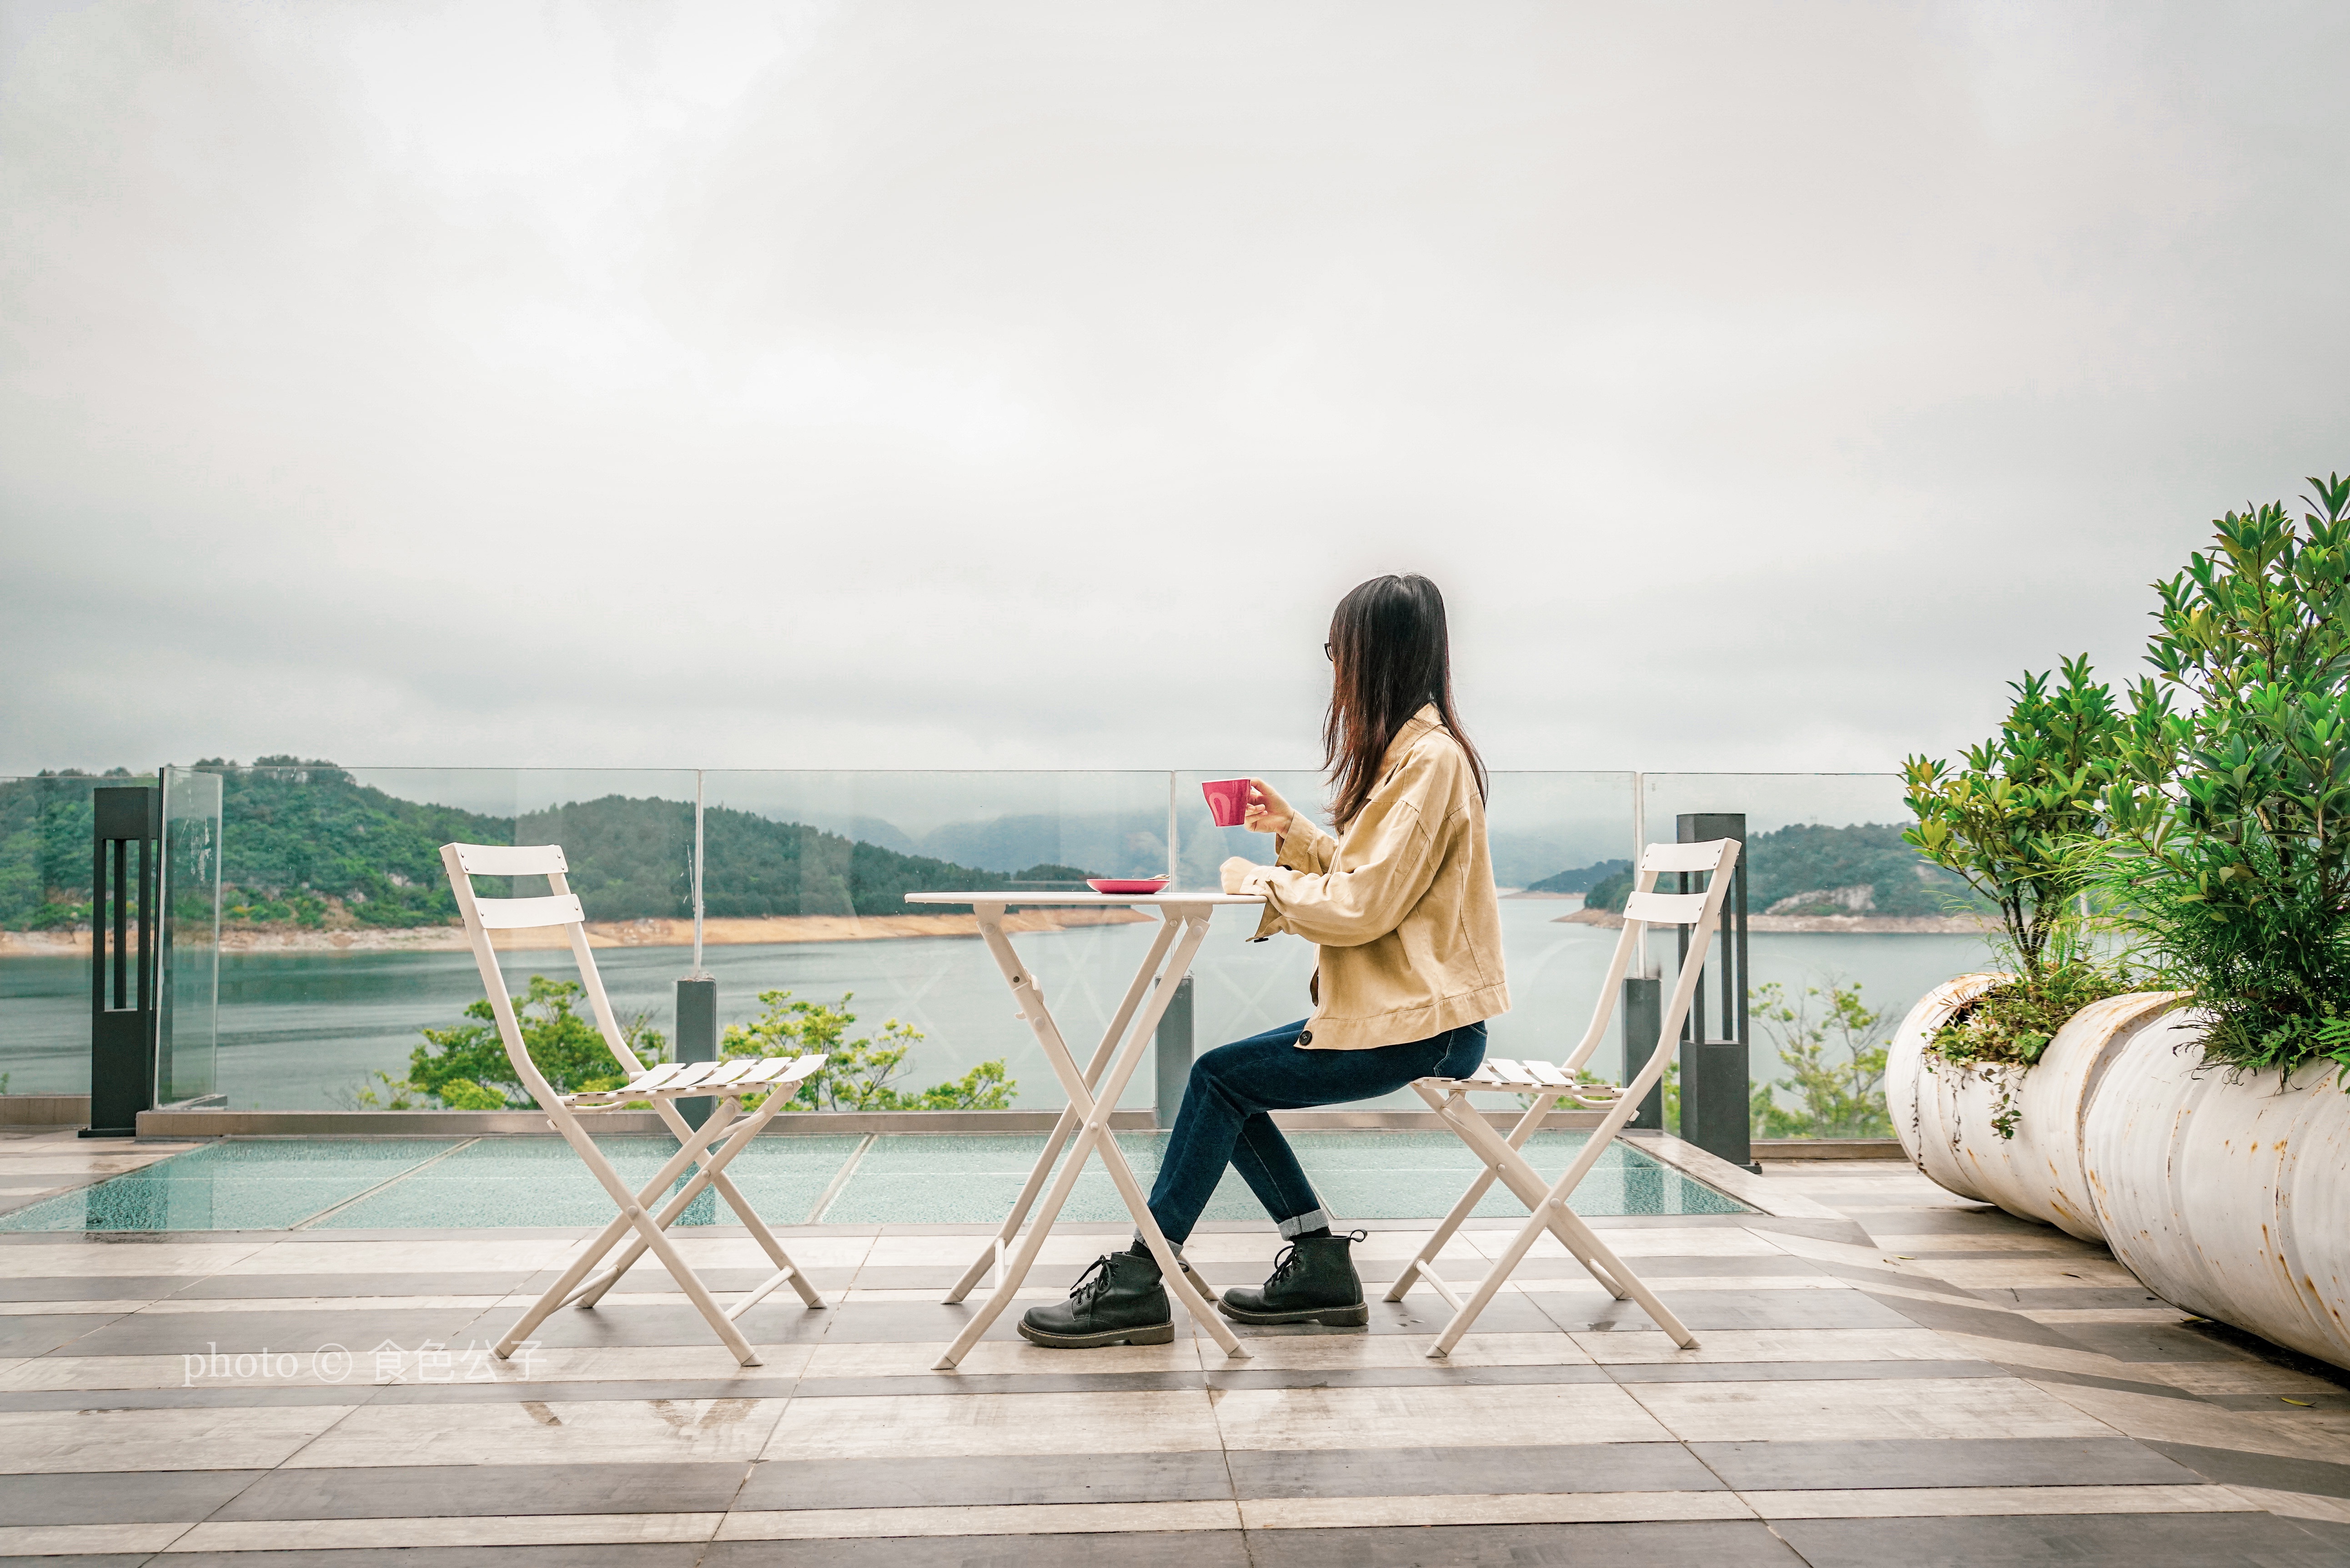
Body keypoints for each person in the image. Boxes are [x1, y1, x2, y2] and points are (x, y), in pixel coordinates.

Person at [1020, 573, 1508, 1348]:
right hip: (1421, 1012)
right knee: (1226, 1079)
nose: (1335, 670)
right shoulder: (1418, 756)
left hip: (1427, 1025)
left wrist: (1259, 878)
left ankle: (1147, 1278)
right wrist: (1298, 835)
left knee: (1219, 1078)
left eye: (1338, 651)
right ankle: (1316, 1261)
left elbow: (1360, 910)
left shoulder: (1427, 763)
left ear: (1375, 655)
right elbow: (1371, 875)